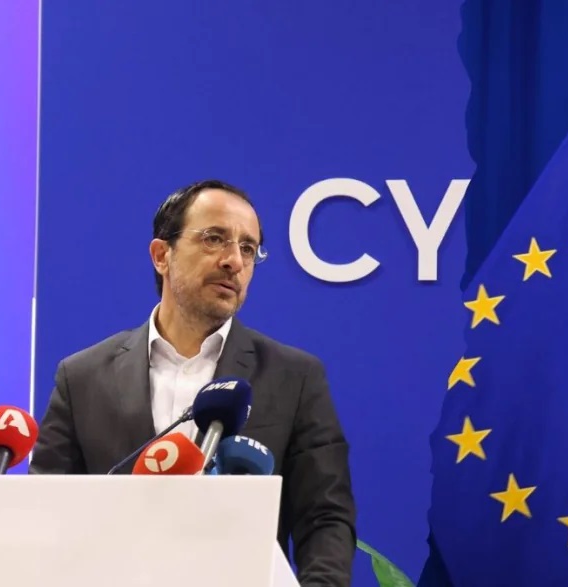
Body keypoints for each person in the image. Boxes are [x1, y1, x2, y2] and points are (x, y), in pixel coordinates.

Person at [30, 179, 357, 586]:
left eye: (248, 248)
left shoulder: (294, 377)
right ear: (161, 255)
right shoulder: (82, 377)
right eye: (214, 239)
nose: (234, 261)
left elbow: (325, 518)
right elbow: (46, 513)